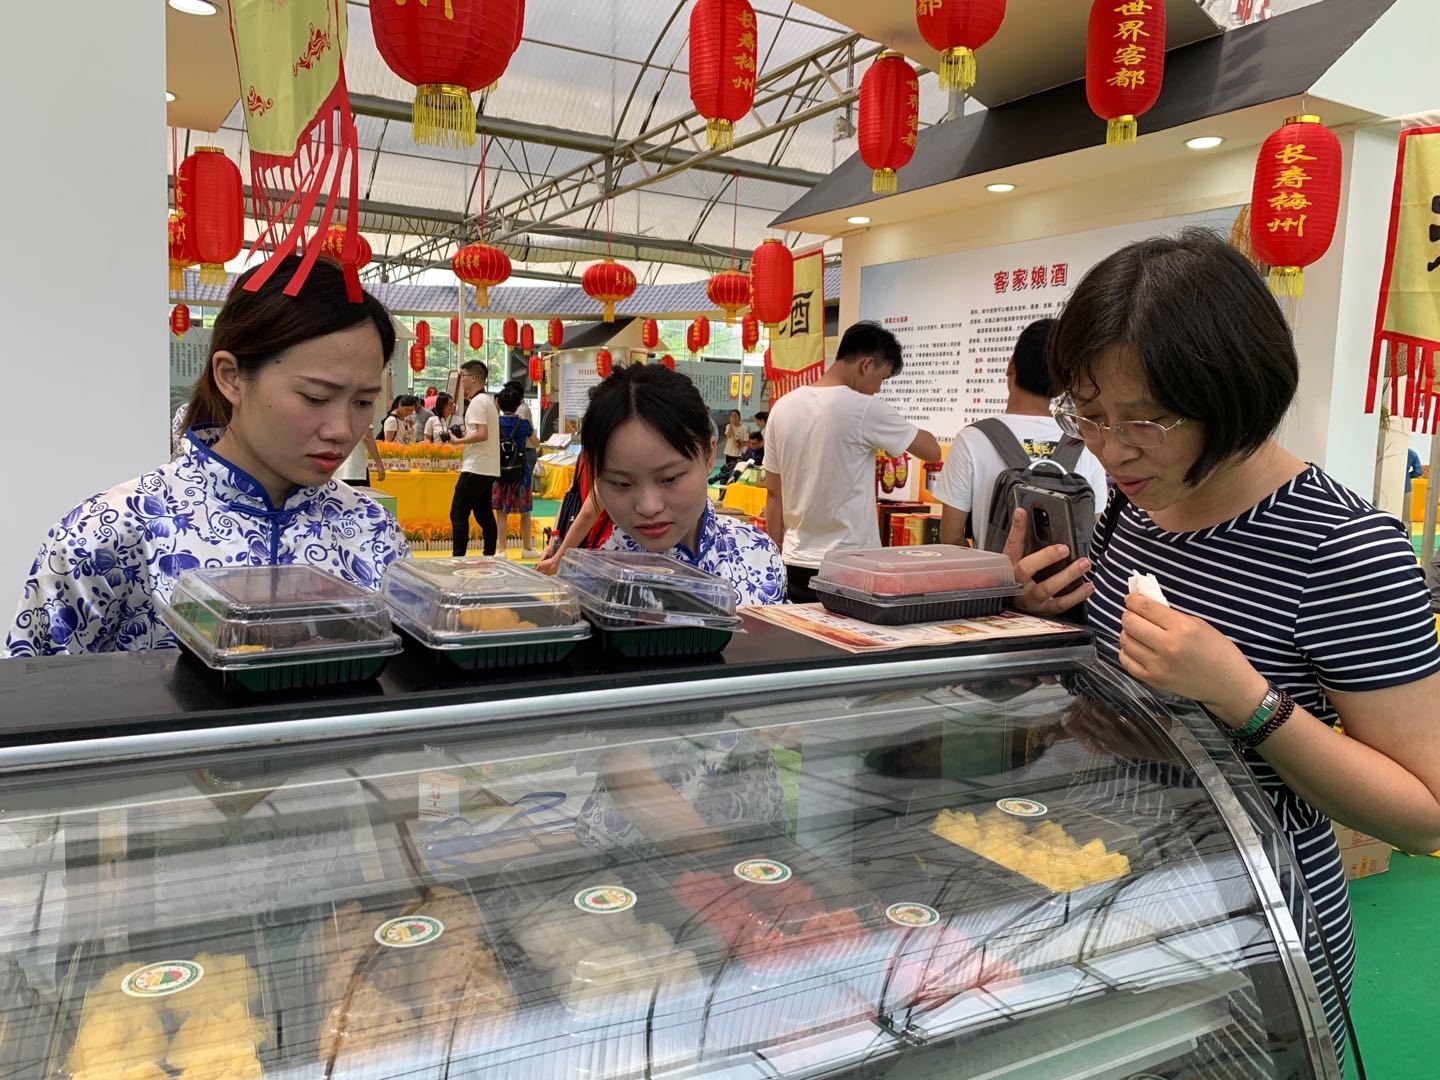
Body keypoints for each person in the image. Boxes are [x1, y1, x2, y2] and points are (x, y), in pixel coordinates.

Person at [1006, 229, 1440, 1060]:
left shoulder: (1345, 550)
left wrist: (1245, 698)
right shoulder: (1140, 500)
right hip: (1107, 890)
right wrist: (1046, 614)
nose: (1110, 448)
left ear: (1234, 396)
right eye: (1087, 412)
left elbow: (1423, 815)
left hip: (1248, 928)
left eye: (1145, 420)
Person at [5, 255, 409, 657]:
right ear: (231, 377)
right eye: (316, 397)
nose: (342, 429)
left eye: (362, 402)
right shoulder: (109, 534)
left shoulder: (372, 531)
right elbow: (35, 687)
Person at [763, 321, 942, 602]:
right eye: (882, 379)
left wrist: (774, 560)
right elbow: (932, 450)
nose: (878, 389)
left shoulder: (783, 407)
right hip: (851, 565)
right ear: (866, 365)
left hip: (794, 562)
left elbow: (774, 493)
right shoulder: (864, 408)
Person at [581, 363, 786, 604]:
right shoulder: (595, 590)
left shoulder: (758, 552)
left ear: (709, 455)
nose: (648, 507)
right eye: (621, 483)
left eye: (669, 478)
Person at [936, 318, 1108, 548]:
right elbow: (1095, 535)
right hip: (1067, 572)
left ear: (1011, 365)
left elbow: (950, 537)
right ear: (1061, 384)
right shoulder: (1082, 443)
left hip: (996, 572)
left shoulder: (972, 439)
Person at [448, 360, 500, 556]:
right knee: (483, 513)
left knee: (458, 513)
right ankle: (489, 555)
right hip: (488, 466)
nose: (461, 380)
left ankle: (458, 556)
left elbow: (482, 433)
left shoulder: (478, 402)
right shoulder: (488, 401)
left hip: (476, 465)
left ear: (474, 378)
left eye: (463, 376)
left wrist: (458, 441)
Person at [493, 382, 541, 559]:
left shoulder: (495, 423)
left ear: (499, 404)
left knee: (501, 512)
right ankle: (527, 549)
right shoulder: (524, 424)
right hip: (521, 471)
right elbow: (536, 443)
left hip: (499, 471)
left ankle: (501, 550)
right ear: (518, 404)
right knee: (525, 511)